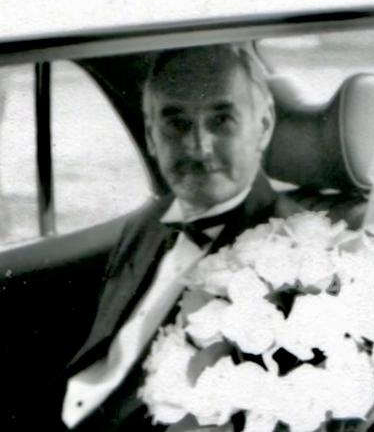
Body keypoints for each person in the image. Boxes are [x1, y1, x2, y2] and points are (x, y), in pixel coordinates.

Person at [56, 43, 299, 431]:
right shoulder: (147, 223)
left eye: (221, 120)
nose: (198, 147)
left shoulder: (298, 258)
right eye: (176, 123)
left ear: (263, 126)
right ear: (151, 137)